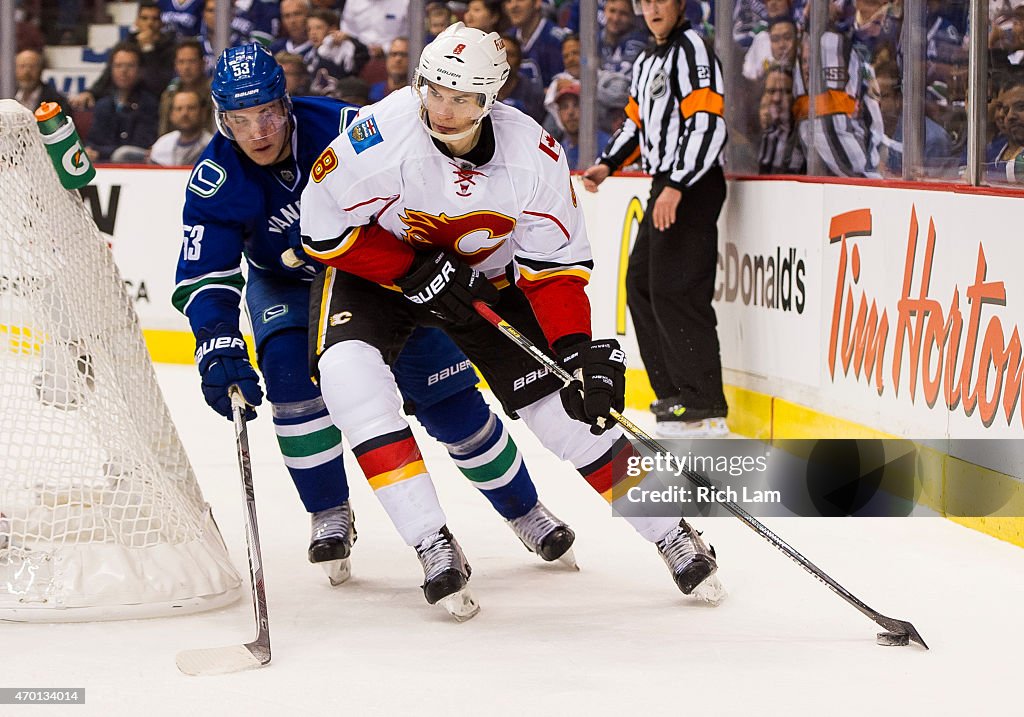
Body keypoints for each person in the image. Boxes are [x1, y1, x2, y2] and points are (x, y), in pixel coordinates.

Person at [299, 23, 723, 613]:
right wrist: (411, 268)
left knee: (565, 414)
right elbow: (321, 232)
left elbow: (553, 270)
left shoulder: (533, 155)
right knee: (348, 378)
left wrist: (575, 351)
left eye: (463, 98)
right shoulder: (378, 139)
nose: (443, 110)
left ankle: (671, 530)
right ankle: (431, 541)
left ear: (491, 99)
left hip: (484, 286)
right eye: (435, 91)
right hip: (377, 278)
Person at [174, 43, 576, 608]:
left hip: (378, 278)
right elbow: (205, 275)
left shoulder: (343, 126)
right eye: (240, 121)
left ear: (286, 104)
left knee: (449, 399)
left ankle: (525, 509)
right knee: (289, 373)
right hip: (288, 286)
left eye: (267, 113)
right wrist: (216, 341)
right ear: (222, 120)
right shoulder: (216, 176)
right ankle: (329, 511)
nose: (258, 132)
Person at [583, 0, 729, 438]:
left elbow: (707, 124)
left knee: (675, 288)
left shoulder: (694, 50)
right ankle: (675, 394)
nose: (651, 8)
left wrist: (679, 185)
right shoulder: (647, 60)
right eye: (643, 1)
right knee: (641, 284)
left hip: (693, 183)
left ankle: (703, 401)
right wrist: (608, 163)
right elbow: (636, 123)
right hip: (667, 182)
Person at [84, 43, 160, 164]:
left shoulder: (149, 103)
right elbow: (93, 143)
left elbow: (140, 145)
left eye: (130, 66)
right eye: (118, 66)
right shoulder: (103, 105)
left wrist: (101, 153)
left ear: (140, 70)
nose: (123, 71)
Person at [149, 89, 213, 165]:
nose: (184, 113)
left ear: (203, 113)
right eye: (179, 109)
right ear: (171, 114)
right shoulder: (161, 145)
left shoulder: (213, 146)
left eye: (191, 108)